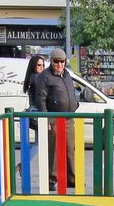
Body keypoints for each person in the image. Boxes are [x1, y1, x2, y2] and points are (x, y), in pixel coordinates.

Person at [31, 46, 80, 191]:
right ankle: (51, 180)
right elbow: (40, 99)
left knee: (70, 149)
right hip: (53, 117)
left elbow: (71, 92)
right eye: (56, 61)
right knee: (53, 151)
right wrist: (46, 119)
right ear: (51, 61)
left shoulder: (67, 75)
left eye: (62, 61)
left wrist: (75, 104)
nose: (59, 64)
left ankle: (71, 179)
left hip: (69, 118)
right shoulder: (45, 77)